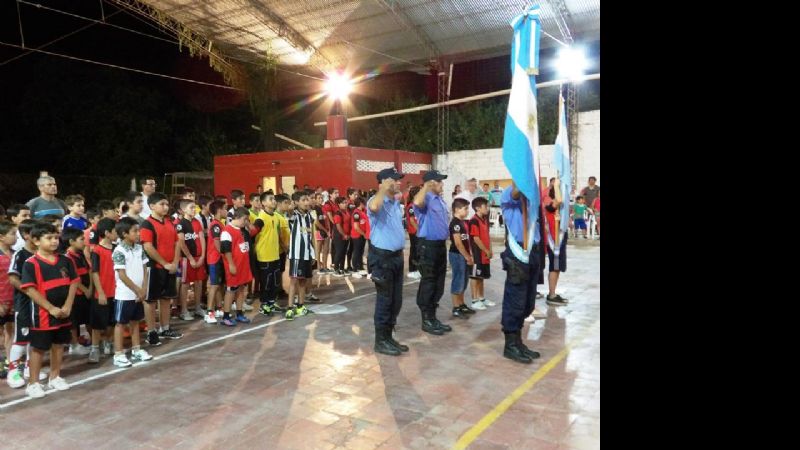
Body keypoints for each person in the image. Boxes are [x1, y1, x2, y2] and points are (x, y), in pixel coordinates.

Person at [20, 222, 77, 398]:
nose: (54, 241)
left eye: (56, 237)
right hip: (42, 315)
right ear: (36, 240)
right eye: (49, 238)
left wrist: (68, 305)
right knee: (38, 348)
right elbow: (30, 290)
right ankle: (33, 383)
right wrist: (51, 308)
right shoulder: (31, 264)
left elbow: (74, 282)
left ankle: (55, 377)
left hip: (63, 312)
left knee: (58, 344)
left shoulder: (66, 260)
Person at [499, 183, 543, 364]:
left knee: (527, 301)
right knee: (515, 300)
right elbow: (516, 193)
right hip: (518, 252)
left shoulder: (529, 199)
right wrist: (522, 178)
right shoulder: (509, 194)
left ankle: (518, 342)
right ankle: (510, 344)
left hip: (532, 251)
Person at [367, 168, 409, 356]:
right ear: (384, 181)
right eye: (395, 180)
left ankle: (389, 337)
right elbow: (374, 208)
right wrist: (383, 188)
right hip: (382, 259)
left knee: (396, 300)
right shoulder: (376, 200)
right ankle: (380, 341)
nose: (399, 183)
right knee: (385, 300)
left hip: (396, 257)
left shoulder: (394, 202)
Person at [413, 170, 453, 336]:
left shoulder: (440, 199)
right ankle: (426, 319)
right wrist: (426, 187)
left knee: (438, 283)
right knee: (429, 282)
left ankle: (433, 317)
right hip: (428, 245)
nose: (442, 184)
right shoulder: (426, 198)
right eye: (439, 181)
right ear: (431, 183)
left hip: (440, 246)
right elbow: (416, 202)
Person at [110, 218, 153, 367]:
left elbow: (145, 269)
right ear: (124, 233)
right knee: (120, 324)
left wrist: (144, 288)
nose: (138, 233)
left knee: (136, 321)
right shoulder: (119, 251)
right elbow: (122, 275)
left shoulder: (139, 248)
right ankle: (118, 354)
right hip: (125, 294)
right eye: (135, 231)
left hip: (139, 293)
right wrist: (137, 289)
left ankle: (136, 349)